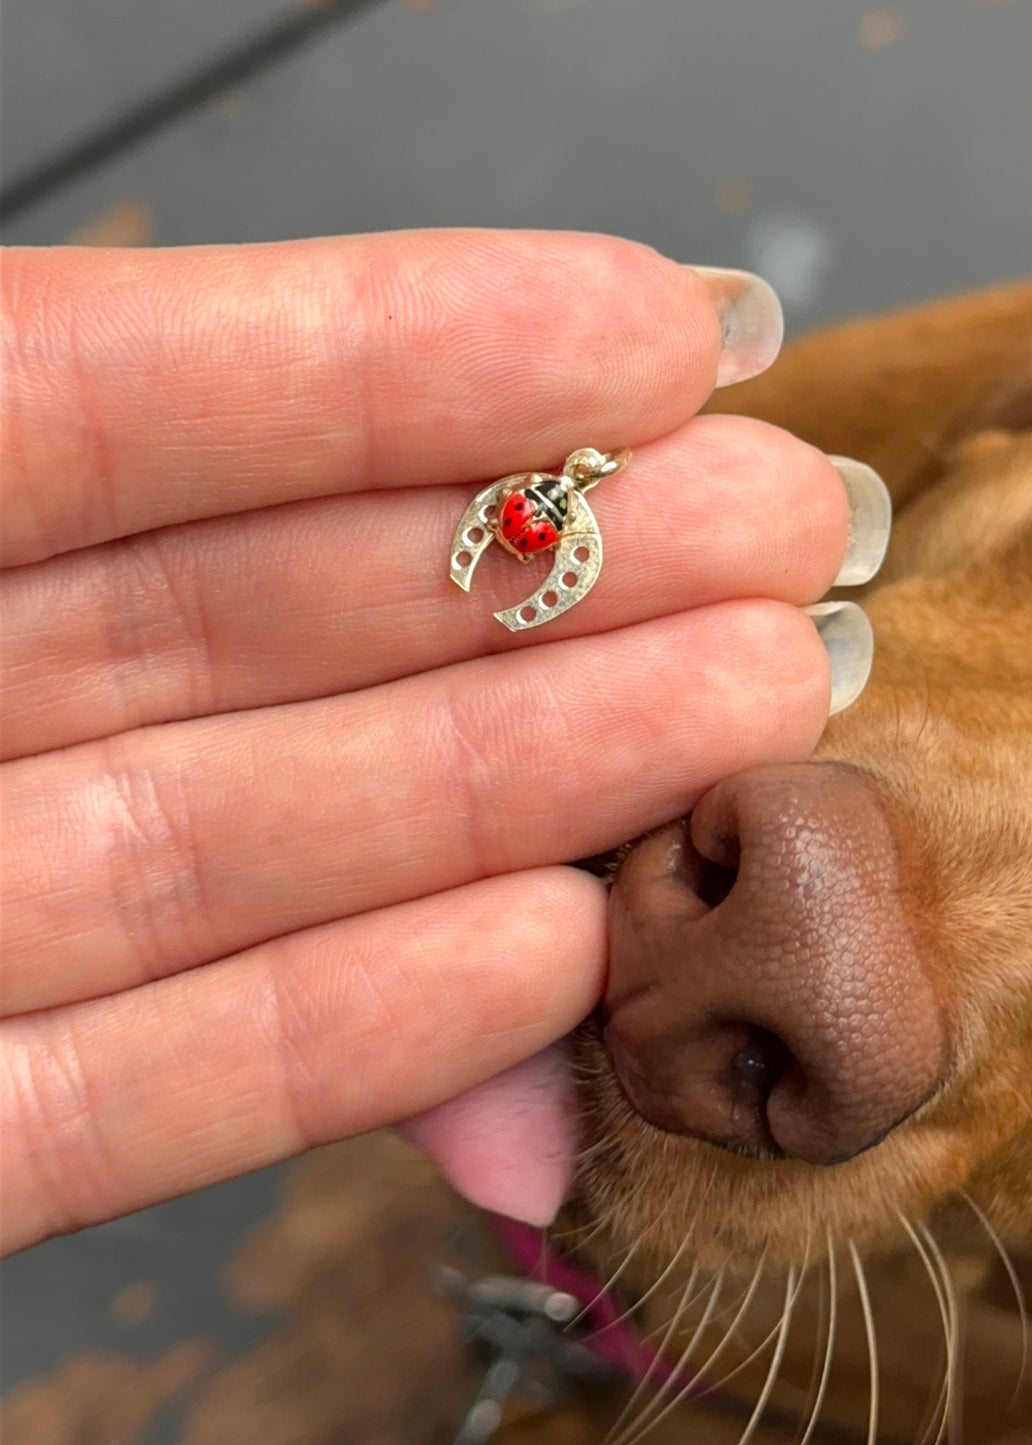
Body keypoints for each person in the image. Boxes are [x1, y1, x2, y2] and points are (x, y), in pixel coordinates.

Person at [0, 229, 887, 1255]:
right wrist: (494, 559)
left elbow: (528, 571)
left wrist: (509, 567)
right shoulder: (527, 507)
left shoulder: (546, 513)